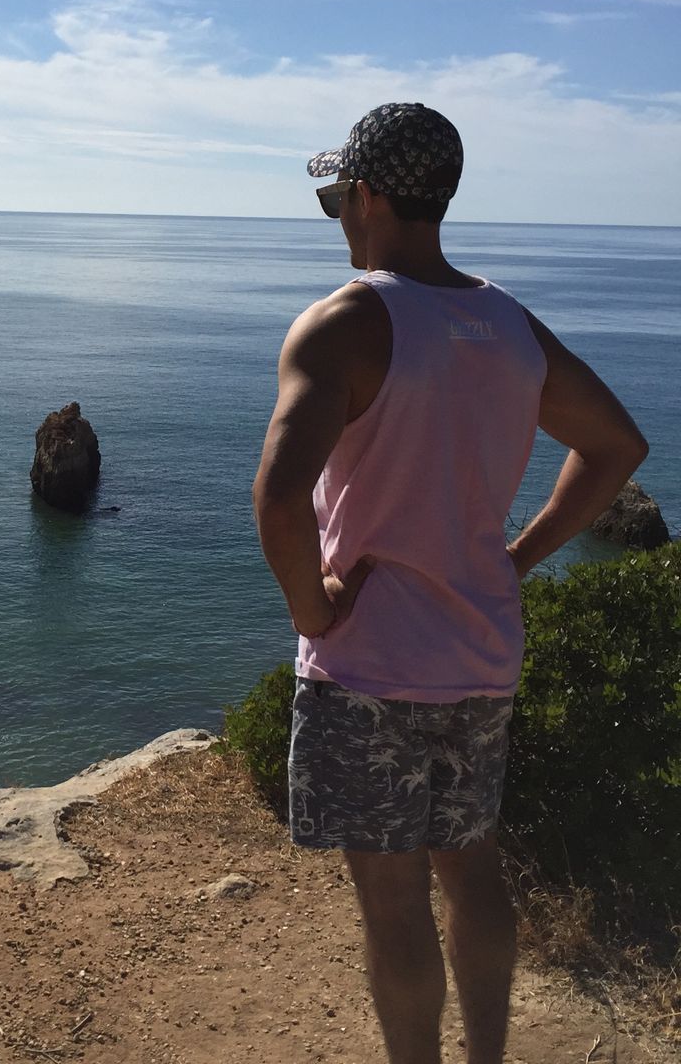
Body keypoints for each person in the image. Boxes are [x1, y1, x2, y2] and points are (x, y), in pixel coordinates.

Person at [252, 102, 648, 1064]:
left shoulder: (344, 323)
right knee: (473, 874)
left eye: (336, 196)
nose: (337, 215)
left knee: (394, 907)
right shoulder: (507, 324)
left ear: (368, 195)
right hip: (480, 657)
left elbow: (279, 498)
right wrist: (514, 559)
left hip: (369, 670)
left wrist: (316, 611)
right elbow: (616, 446)